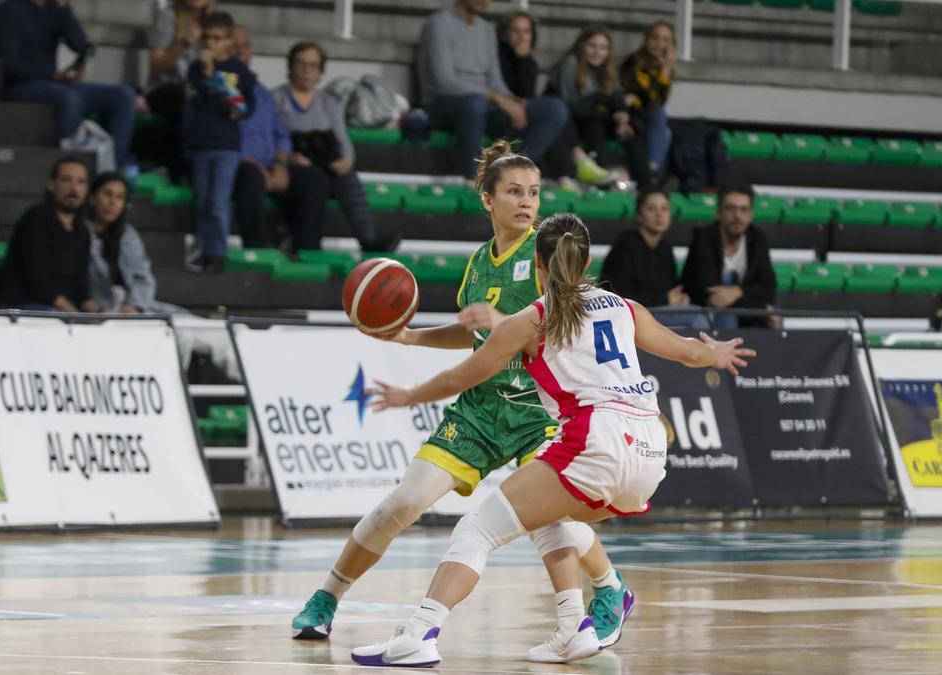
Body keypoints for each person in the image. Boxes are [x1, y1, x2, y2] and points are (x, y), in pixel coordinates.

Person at [351, 213, 755, 667]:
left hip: (594, 438)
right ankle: (572, 628)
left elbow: (462, 376)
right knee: (544, 516)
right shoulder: (625, 307)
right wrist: (717, 354)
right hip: (648, 448)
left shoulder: (532, 320)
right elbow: (686, 351)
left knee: (477, 530)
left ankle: (419, 634)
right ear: (586, 263)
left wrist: (408, 395)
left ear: (538, 264)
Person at [290, 141, 631, 662]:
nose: (527, 202)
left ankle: (595, 599)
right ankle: (327, 597)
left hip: (539, 410)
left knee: (547, 518)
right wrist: (410, 338)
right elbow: (474, 337)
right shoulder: (477, 263)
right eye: (514, 192)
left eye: (534, 193)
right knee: (401, 503)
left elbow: (566, 326)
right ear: (487, 200)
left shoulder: (549, 253)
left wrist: (502, 327)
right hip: (478, 411)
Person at [417, 0, 568, 182]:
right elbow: (444, 81)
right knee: (474, 103)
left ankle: (509, 172)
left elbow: (495, 79)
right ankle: (473, 177)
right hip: (445, 104)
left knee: (554, 109)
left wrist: (511, 100)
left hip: (486, 106)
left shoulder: (487, 29)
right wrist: (494, 96)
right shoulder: (439, 24)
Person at [271, 42, 399, 253]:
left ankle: (369, 240)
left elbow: (343, 141)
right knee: (314, 179)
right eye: (301, 63)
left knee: (347, 178)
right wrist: (288, 159)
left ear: (320, 71)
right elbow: (270, 137)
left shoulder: (329, 102)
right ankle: (306, 244)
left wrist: (346, 160)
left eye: (313, 65)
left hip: (323, 162)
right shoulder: (276, 99)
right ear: (290, 66)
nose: (306, 69)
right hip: (293, 164)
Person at [0, 0, 137, 169]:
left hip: (55, 84)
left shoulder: (56, 9)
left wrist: (64, 12)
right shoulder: (10, 10)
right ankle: (67, 167)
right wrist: (52, 76)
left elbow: (80, 44)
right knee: (69, 98)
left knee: (124, 95)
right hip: (22, 85)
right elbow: (10, 67)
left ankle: (111, 168)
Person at [232, 26, 329, 251]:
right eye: (235, 47)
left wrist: (279, 163)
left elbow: (281, 134)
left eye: (245, 47)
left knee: (314, 179)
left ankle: (306, 248)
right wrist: (252, 162)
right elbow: (222, 135)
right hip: (239, 164)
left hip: (270, 164)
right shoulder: (218, 87)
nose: (241, 52)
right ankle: (258, 245)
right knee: (250, 176)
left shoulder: (262, 93)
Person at [496, 12, 612, 190]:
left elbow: (526, 95)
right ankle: (571, 169)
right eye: (515, 31)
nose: (521, 37)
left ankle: (590, 173)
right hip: (503, 112)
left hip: (538, 114)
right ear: (504, 33)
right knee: (559, 112)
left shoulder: (530, 62)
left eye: (526, 32)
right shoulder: (570, 64)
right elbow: (569, 103)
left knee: (591, 123)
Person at [183, 11, 256, 272]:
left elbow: (243, 106)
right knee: (202, 201)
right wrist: (204, 72)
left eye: (217, 38)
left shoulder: (239, 70)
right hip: (201, 143)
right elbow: (192, 100)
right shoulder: (194, 69)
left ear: (228, 40)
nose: (211, 43)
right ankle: (204, 248)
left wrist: (214, 73)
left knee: (218, 201)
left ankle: (218, 251)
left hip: (226, 145)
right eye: (207, 38)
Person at [546, 25, 650, 188]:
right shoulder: (570, 64)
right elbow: (571, 105)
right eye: (592, 46)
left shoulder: (608, 69)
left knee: (633, 126)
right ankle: (600, 177)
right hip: (570, 124)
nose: (597, 52)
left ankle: (645, 183)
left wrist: (621, 116)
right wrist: (602, 100)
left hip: (594, 116)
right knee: (597, 123)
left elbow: (616, 96)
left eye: (603, 48)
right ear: (582, 46)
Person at [600, 189, 707, 331]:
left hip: (656, 311)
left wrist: (679, 299)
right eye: (651, 208)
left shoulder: (665, 247)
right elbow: (619, 295)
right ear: (639, 215)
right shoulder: (625, 245)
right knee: (696, 317)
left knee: (701, 312)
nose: (659, 214)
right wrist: (666, 299)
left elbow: (670, 287)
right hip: (629, 315)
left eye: (664, 209)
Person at [5, 156, 102, 313]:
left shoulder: (82, 230)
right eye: (66, 180)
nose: (74, 188)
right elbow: (37, 280)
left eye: (81, 182)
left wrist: (100, 311)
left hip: (64, 309)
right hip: (30, 307)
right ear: (51, 184)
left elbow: (81, 286)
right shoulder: (35, 220)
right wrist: (72, 312)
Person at [680, 184, 778, 329]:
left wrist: (738, 291)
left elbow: (768, 287)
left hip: (743, 308)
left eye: (743, 209)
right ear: (718, 213)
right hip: (706, 309)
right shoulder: (703, 238)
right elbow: (712, 296)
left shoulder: (757, 238)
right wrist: (760, 305)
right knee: (727, 315)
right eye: (731, 208)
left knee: (776, 317)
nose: (738, 215)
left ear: (751, 215)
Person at [139, 0, 214, 182]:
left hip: (196, 89)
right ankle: (180, 169)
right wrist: (182, 45)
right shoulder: (168, 17)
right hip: (164, 88)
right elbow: (155, 65)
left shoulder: (212, 23)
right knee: (187, 99)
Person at [85, 171, 175, 313]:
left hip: (130, 307)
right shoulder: (79, 231)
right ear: (92, 198)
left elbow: (143, 276)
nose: (112, 202)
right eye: (107, 194)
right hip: (96, 308)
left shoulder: (129, 235)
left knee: (184, 320)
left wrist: (135, 305)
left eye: (120, 198)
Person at [620, 21, 676, 175]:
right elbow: (651, 100)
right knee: (659, 116)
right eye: (655, 38)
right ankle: (652, 170)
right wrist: (664, 73)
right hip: (627, 113)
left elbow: (659, 100)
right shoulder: (632, 63)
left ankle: (653, 170)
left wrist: (665, 71)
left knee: (666, 132)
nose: (659, 44)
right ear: (646, 39)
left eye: (665, 40)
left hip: (648, 116)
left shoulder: (665, 68)